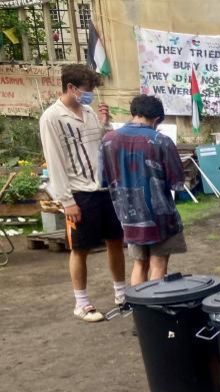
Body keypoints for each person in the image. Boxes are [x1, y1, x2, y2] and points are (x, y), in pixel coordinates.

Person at [39, 64, 126, 323]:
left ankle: (122, 294)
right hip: (79, 192)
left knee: (115, 240)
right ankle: (82, 303)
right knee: (81, 248)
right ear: (71, 88)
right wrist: (67, 201)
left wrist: (104, 123)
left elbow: (99, 144)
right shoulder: (51, 117)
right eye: (87, 90)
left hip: (103, 187)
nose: (90, 95)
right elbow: (54, 160)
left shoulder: (87, 110)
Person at [100, 95, 186, 285]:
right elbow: (177, 183)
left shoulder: (108, 140)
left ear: (134, 112)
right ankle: (153, 311)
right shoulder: (161, 141)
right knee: (159, 264)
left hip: (128, 216)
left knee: (140, 265)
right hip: (160, 217)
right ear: (156, 119)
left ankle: (139, 309)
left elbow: (103, 179)